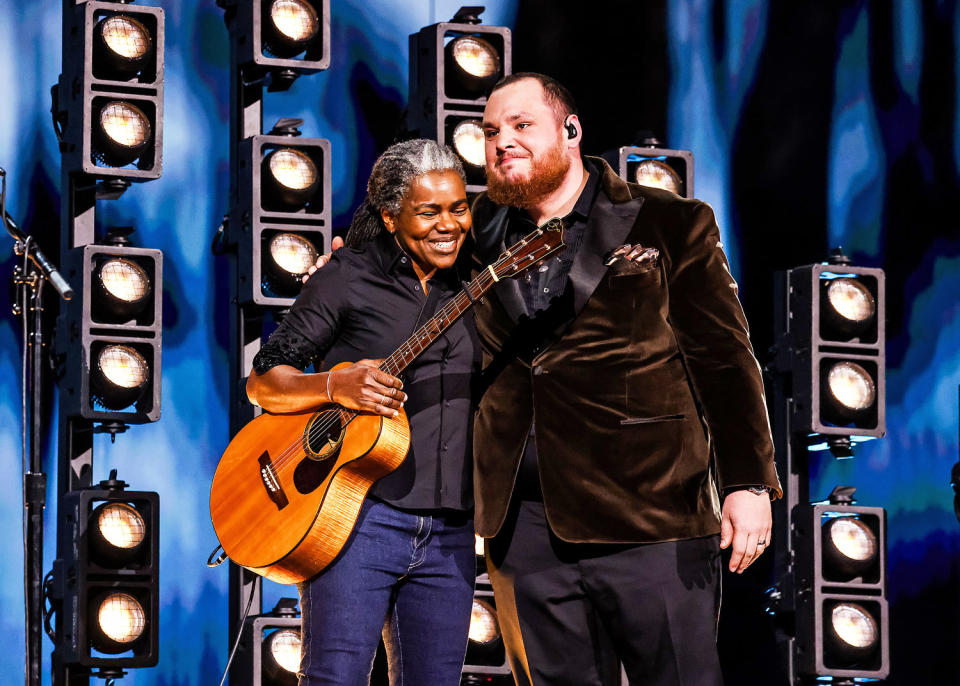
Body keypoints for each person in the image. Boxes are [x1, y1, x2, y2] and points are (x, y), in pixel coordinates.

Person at [469, 73, 782, 686]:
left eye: (521, 125)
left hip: (650, 512)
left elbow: (724, 356)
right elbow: (391, 260)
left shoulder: (669, 221)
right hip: (524, 528)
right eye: (490, 131)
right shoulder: (473, 232)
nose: (502, 141)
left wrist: (747, 480)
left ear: (571, 130)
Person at [246, 139, 479, 686]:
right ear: (391, 218)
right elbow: (264, 380)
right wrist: (333, 384)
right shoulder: (348, 274)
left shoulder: (480, 280)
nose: (448, 224)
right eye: (429, 212)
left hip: (451, 531)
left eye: (458, 207)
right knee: (335, 678)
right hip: (358, 518)